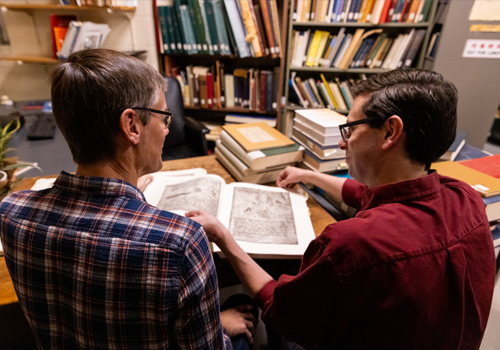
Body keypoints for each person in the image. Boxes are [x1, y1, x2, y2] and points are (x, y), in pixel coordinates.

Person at [187, 69, 496, 349]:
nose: (341, 144)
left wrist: (224, 237)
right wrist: (308, 175)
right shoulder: (464, 196)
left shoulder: (351, 245)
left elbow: (280, 310)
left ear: (391, 132)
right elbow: (369, 195)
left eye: (349, 130)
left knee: (259, 297)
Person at [0, 49, 257, 349]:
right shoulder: (181, 242)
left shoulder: (11, 212)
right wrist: (220, 328)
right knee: (242, 306)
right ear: (132, 125)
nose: (167, 128)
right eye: (164, 117)